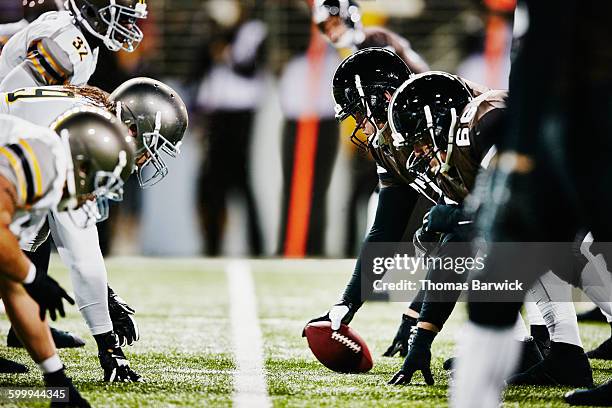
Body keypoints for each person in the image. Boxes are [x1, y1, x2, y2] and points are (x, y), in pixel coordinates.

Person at [451, 1, 612, 406]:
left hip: (589, 125)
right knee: (498, 275)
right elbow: (532, 56)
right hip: (552, 128)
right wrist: (516, 146)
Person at [0, 78, 188, 381]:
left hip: (13, 160)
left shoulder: (90, 121)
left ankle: (22, 330)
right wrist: (109, 346)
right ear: (131, 127)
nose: (146, 160)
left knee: (29, 241)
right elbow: (81, 253)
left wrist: (105, 295)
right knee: (18, 248)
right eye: (151, 148)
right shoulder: (83, 140)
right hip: (11, 165)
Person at [0, 106, 135, 406]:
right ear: (81, 165)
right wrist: (33, 276)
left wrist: (56, 381)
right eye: (97, 185)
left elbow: (12, 286)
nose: (91, 198)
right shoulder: (42, 157)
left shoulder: (44, 186)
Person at [313, 0, 430, 256]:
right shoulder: (362, 45)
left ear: (349, 17)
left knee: (389, 200)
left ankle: (380, 265)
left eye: (334, 23)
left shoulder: (373, 42)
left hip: (411, 132)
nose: (332, 32)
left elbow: (398, 91)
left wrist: (387, 134)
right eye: (326, 26)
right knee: (377, 199)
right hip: (399, 132)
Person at [0, 0, 147, 91]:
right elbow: (12, 96)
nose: (129, 28)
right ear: (93, 12)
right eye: (124, 19)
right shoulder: (64, 47)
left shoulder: (80, 37)